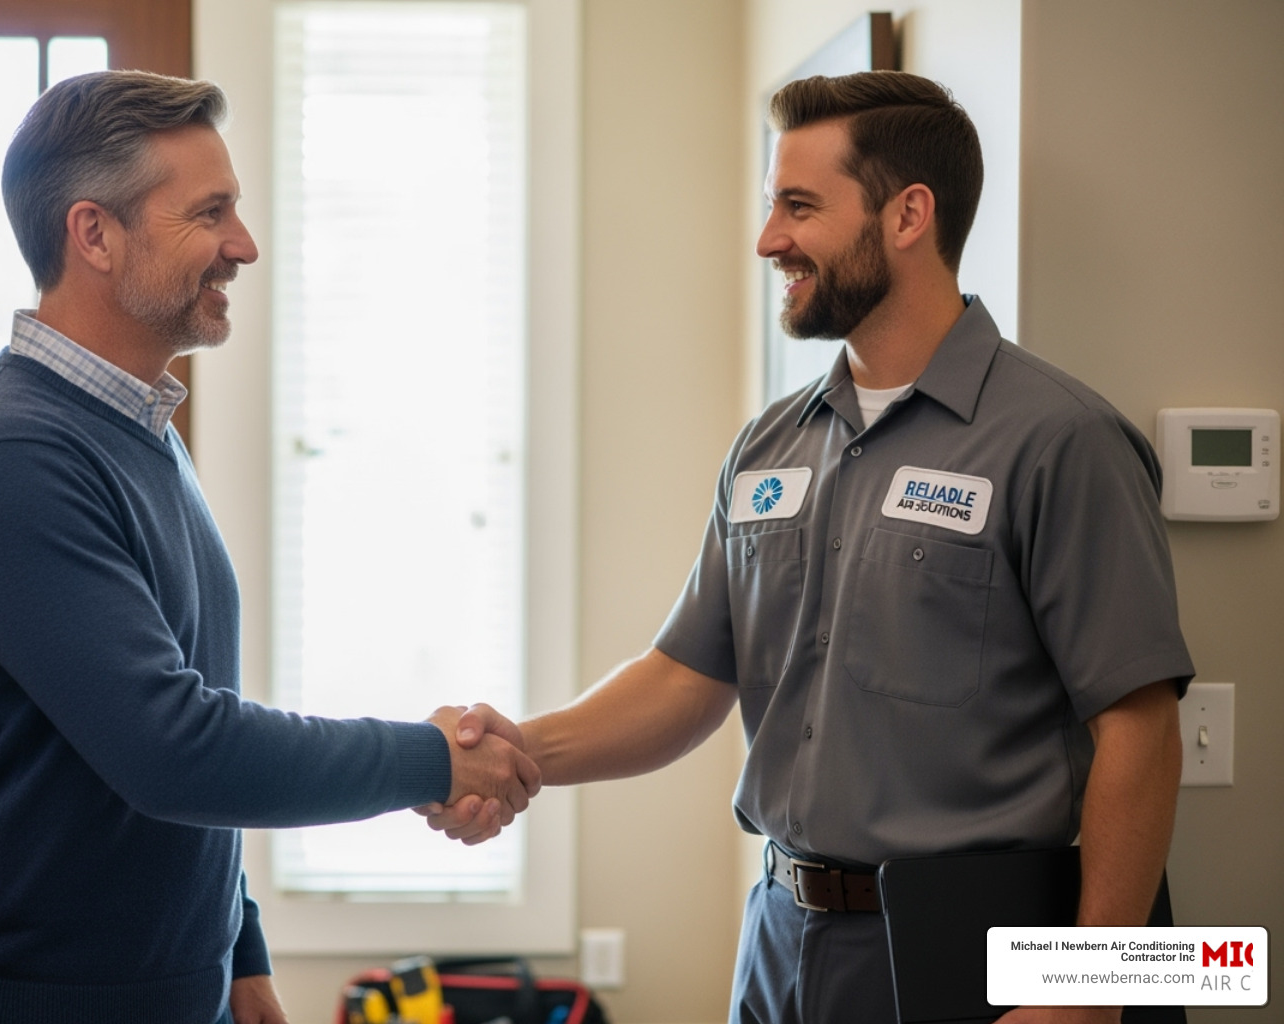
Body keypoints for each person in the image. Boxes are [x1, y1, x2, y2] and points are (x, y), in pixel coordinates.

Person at [426, 71, 1191, 1024]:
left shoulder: (1061, 440)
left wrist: (1087, 997)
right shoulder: (768, 446)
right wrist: (511, 750)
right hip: (783, 942)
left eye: (800, 207)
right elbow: (685, 679)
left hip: (974, 953)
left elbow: (1141, 729)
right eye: (771, 206)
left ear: (909, 214)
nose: (768, 240)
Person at [0, 70, 538, 1024]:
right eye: (211, 213)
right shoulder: (14, 456)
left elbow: (181, 708)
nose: (244, 246)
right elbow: (175, 749)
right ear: (95, 234)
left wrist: (238, 951)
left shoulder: (139, 431)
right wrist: (434, 760)